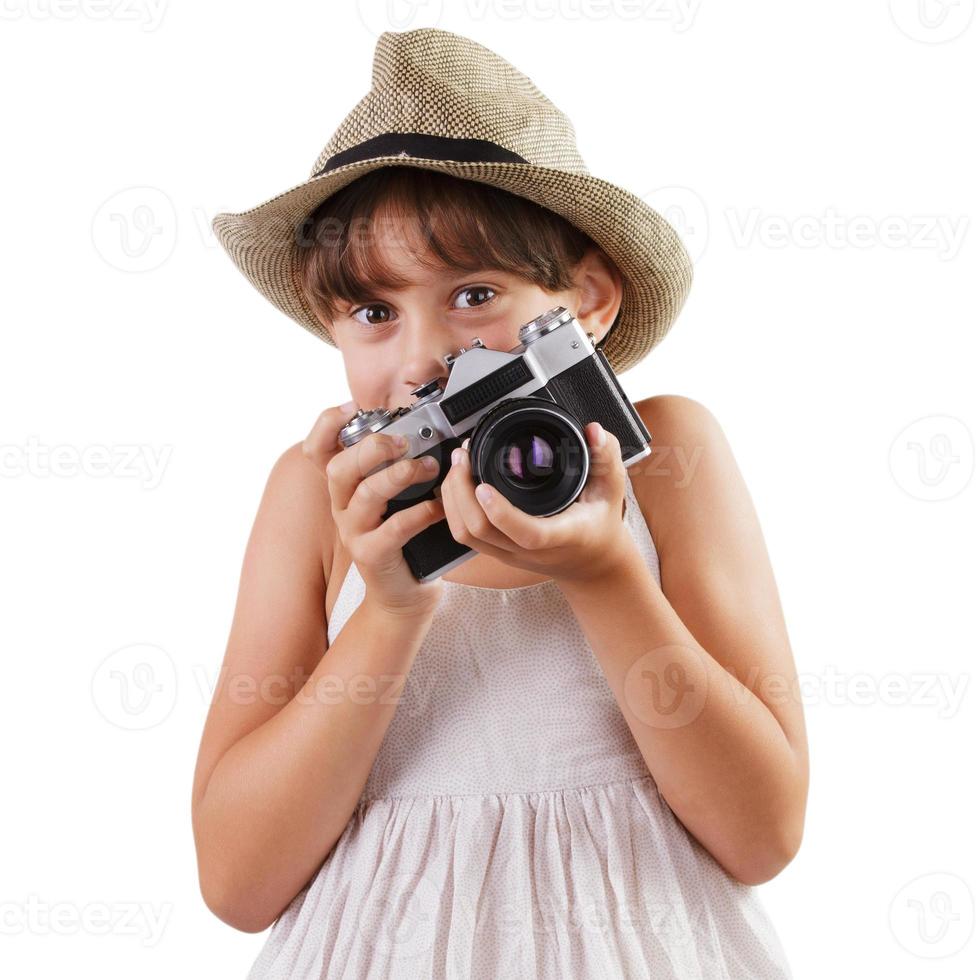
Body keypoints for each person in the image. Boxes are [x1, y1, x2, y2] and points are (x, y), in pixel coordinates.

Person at [192, 27, 809, 979]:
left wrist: (607, 575)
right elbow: (238, 883)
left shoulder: (662, 459)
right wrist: (390, 607)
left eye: (475, 294)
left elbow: (762, 833)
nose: (424, 359)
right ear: (332, 327)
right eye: (374, 312)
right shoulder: (317, 500)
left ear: (588, 303)